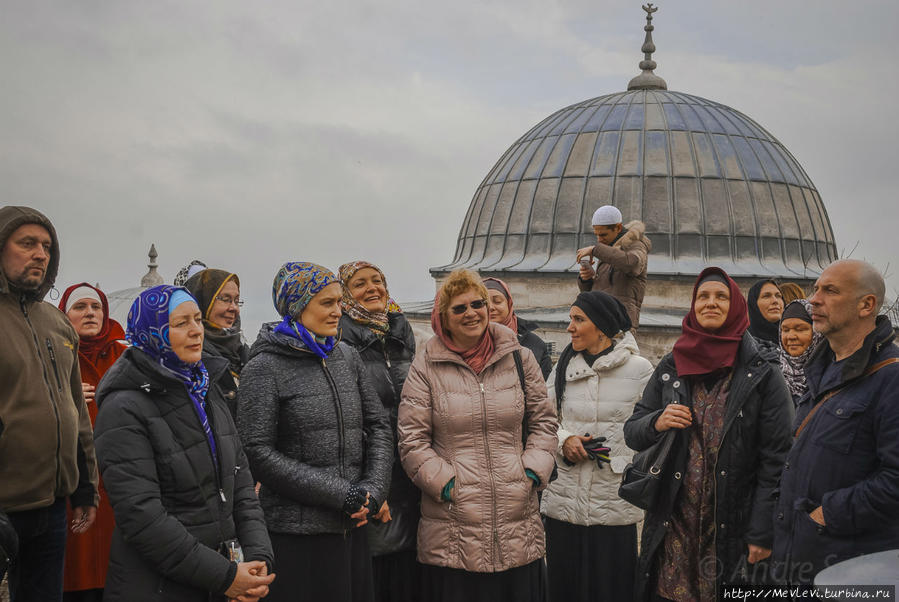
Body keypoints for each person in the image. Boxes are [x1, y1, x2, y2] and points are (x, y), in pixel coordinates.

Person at [93, 286, 275, 601]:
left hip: (219, 579)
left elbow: (240, 483)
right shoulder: (124, 407)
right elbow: (142, 515)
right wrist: (226, 577)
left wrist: (257, 557)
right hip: (159, 586)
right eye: (180, 324)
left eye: (197, 320)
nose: (196, 331)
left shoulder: (204, 388)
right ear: (152, 332)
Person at [623, 267, 793, 602]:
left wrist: (761, 531)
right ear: (693, 304)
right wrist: (657, 421)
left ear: (736, 306)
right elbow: (633, 431)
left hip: (732, 527)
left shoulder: (763, 374)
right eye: (703, 296)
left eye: (721, 297)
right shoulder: (673, 366)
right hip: (675, 524)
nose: (711, 303)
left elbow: (778, 459)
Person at [397, 268, 557, 602]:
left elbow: (543, 422)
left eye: (477, 304)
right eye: (459, 308)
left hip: (517, 518)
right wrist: (446, 483)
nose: (471, 313)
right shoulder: (426, 364)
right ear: (444, 317)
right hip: (454, 523)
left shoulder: (519, 357)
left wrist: (530, 471)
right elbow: (412, 440)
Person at [237, 262, 393, 602]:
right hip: (296, 536)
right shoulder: (264, 368)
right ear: (297, 305)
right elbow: (257, 451)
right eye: (327, 303)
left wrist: (373, 490)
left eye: (339, 301)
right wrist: (340, 493)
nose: (339, 311)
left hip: (353, 528)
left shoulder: (345, 356)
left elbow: (378, 425)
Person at [772, 260, 899, 585]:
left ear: (866, 305)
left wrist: (825, 515)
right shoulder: (821, 371)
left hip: (851, 572)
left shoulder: (890, 379)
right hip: (798, 564)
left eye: (830, 291)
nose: (814, 299)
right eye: (816, 289)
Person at [0, 206, 98, 602]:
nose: (40, 253)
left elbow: (73, 409)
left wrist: (86, 488)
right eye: (27, 244)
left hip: (53, 505)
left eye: (46, 246)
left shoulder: (56, 323)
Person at [540, 291, 653, 601]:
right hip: (565, 503)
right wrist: (565, 441)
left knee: (612, 588)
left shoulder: (640, 371)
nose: (570, 327)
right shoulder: (563, 369)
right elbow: (543, 421)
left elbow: (649, 433)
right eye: (570, 319)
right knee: (565, 588)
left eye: (579, 320)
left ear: (601, 327)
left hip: (613, 503)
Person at [337, 261, 421, 602]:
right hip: (375, 482)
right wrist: (371, 487)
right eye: (360, 284)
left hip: (411, 479)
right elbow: (348, 424)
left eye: (377, 281)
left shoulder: (402, 335)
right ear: (344, 295)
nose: (372, 288)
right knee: (379, 578)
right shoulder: (339, 342)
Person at [58, 283, 127, 602]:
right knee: (77, 577)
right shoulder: (54, 355)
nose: (90, 313)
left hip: (118, 486)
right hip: (75, 484)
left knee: (117, 578)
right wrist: (64, 398)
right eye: (80, 307)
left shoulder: (124, 353)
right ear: (64, 315)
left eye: (96, 307)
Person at [183, 268, 249, 417]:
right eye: (225, 299)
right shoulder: (189, 355)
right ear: (202, 302)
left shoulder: (243, 351)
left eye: (237, 301)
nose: (234, 308)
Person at [575, 204, 651, 328]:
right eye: (597, 235)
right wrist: (587, 279)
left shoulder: (636, 244)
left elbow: (632, 264)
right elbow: (598, 292)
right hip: (601, 319)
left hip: (621, 323)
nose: (599, 239)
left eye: (603, 235)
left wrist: (596, 249)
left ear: (618, 227)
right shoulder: (609, 249)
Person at [483, 277, 553, 379]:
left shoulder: (534, 344)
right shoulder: (466, 343)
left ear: (509, 304)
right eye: (484, 303)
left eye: (497, 301)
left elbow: (544, 388)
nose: (491, 307)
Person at [778, 299, 822, 405]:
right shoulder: (772, 373)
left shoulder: (829, 374)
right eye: (785, 330)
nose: (791, 336)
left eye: (800, 329)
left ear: (817, 333)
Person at [747, 279, 784, 361]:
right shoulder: (745, 343)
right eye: (766, 296)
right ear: (754, 304)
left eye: (778, 296)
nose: (775, 301)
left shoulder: (793, 338)